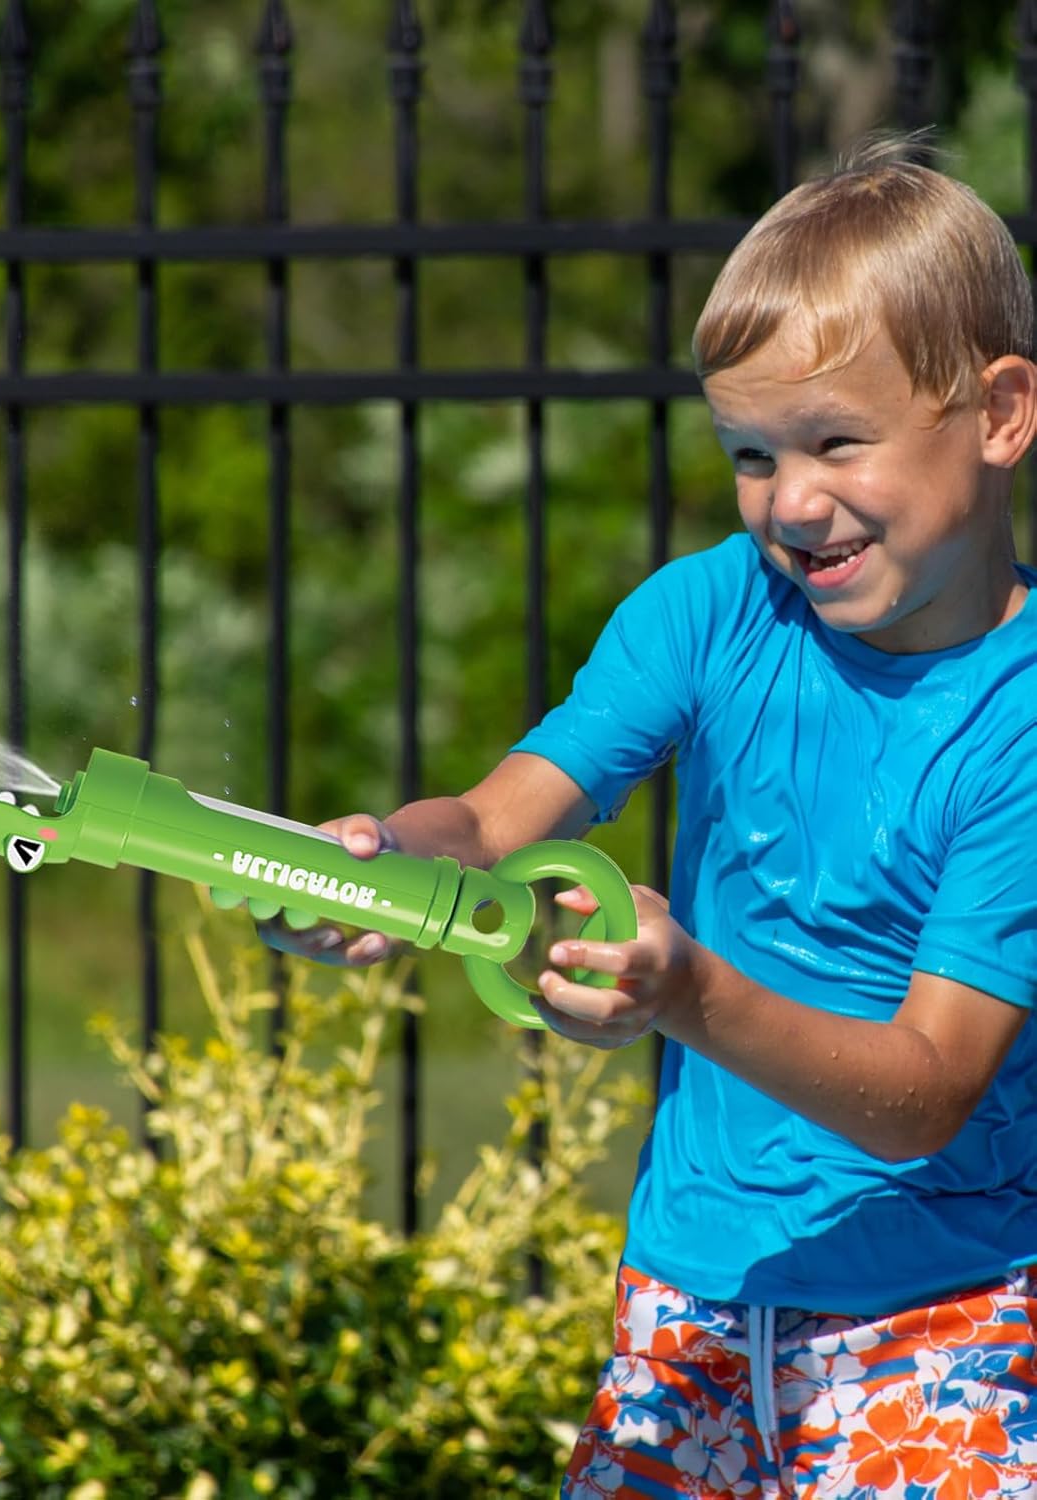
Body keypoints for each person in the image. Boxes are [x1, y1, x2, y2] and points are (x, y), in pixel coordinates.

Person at [273, 136, 1037, 1495]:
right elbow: (493, 823)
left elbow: (926, 1092)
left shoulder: (1020, 723)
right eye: (750, 453)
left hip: (943, 1322)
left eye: (836, 442)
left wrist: (688, 993)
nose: (790, 502)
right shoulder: (712, 611)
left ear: (1000, 414)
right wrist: (376, 865)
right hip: (685, 1302)